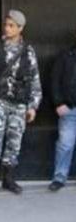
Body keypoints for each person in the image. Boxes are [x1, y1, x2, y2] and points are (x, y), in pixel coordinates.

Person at [0, 9, 42, 201]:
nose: (7, 28)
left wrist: (33, 105)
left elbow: (35, 79)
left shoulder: (28, 50)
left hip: (19, 103)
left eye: (11, 26)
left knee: (14, 142)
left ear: (20, 28)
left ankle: (8, 178)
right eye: (6, 24)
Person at [48, 36, 76, 192]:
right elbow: (55, 80)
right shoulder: (65, 56)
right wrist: (58, 103)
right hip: (70, 108)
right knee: (65, 144)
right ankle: (59, 178)